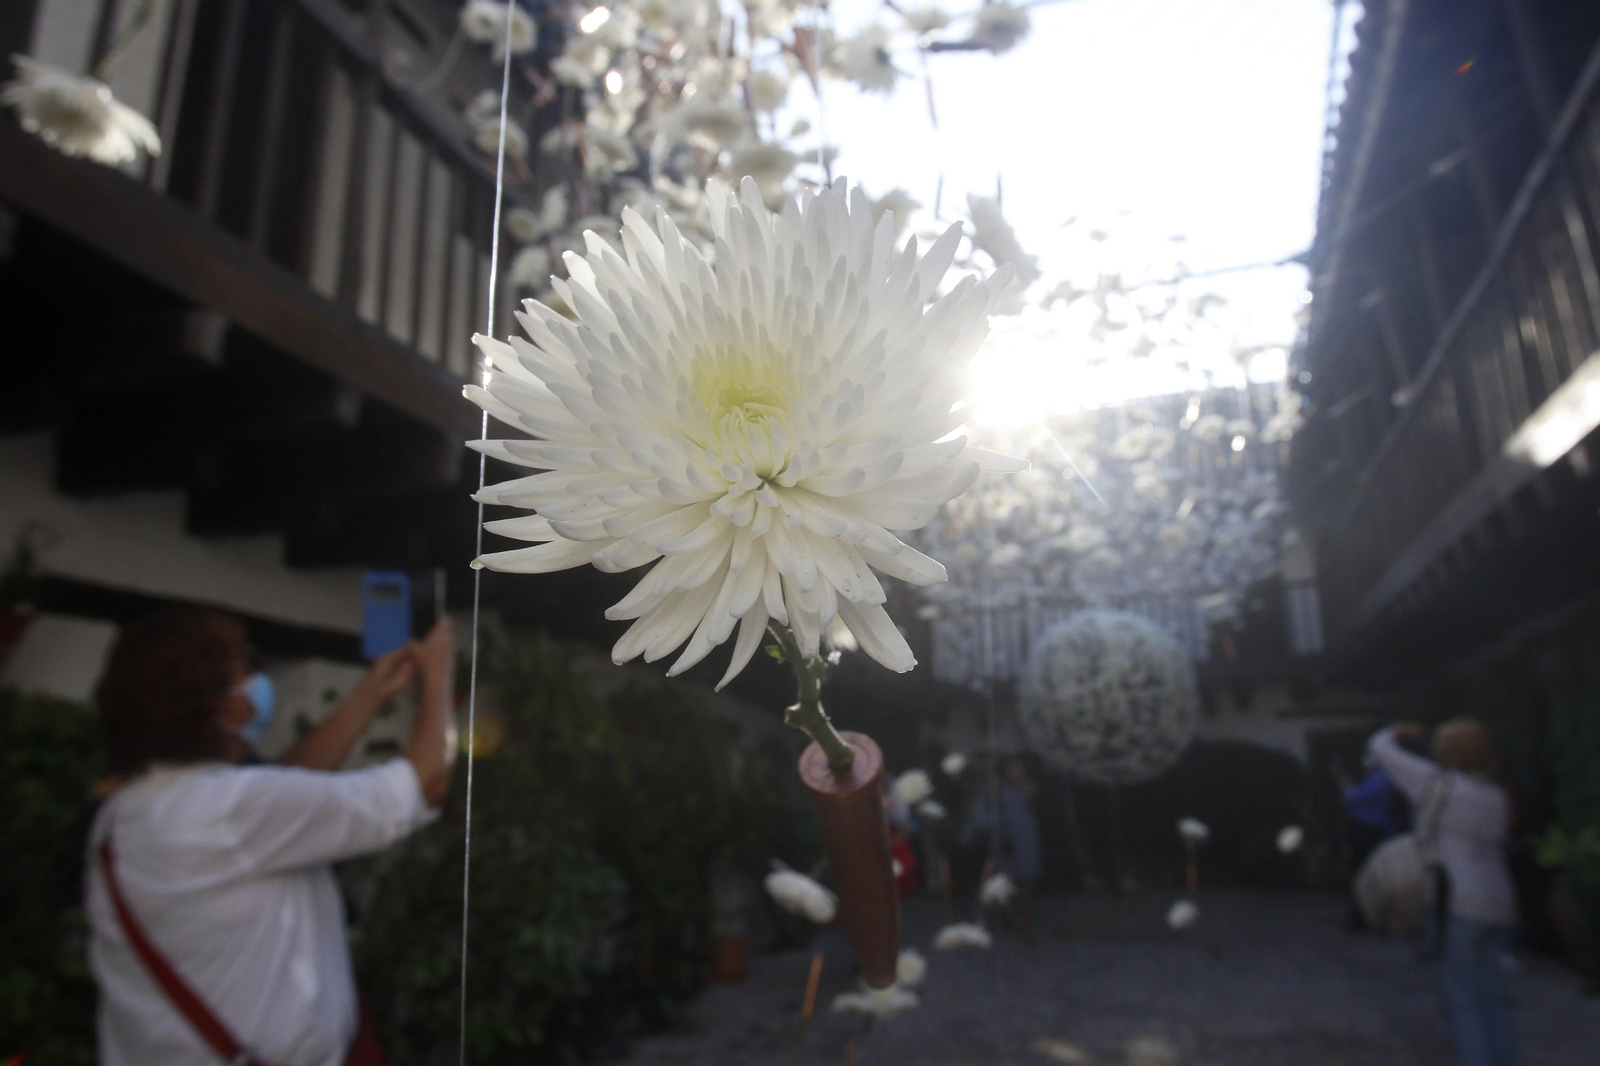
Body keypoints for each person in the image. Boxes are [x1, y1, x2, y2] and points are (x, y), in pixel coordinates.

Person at [85, 607, 457, 1066]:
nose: (253, 692)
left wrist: (371, 693)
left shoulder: (125, 811)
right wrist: (440, 679)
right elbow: (425, 783)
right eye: (242, 675)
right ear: (213, 703)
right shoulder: (235, 812)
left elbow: (284, 793)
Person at [1368, 720, 1517, 1066]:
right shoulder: (1494, 795)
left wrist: (1394, 732)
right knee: (1491, 998)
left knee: (1462, 1002)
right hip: (1500, 902)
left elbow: (1379, 750)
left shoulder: (1437, 783)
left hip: (1459, 900)